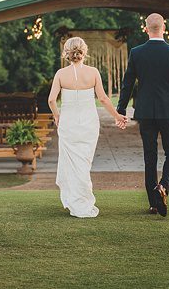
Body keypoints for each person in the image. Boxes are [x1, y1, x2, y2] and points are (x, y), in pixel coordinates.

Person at [117, 13, 169, 217]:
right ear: (164, 28)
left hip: (146, 112)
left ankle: (154, 204)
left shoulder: (136, 53)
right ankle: (164, 187)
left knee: (150, 156)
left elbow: (127, 83)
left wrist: (121, 110)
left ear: (146, 29)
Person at [48, 37, 128, 218]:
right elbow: (103, 99)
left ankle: (76, 201)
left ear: (67, 53)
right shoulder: (93, 72)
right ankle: (81, 201)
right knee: (83, 163)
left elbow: (51, 100)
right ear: (84, 51)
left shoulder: (60, 74)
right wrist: (117, 116)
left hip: (68, 123)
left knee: (72, 163)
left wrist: (57, 116)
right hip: (88, 123)